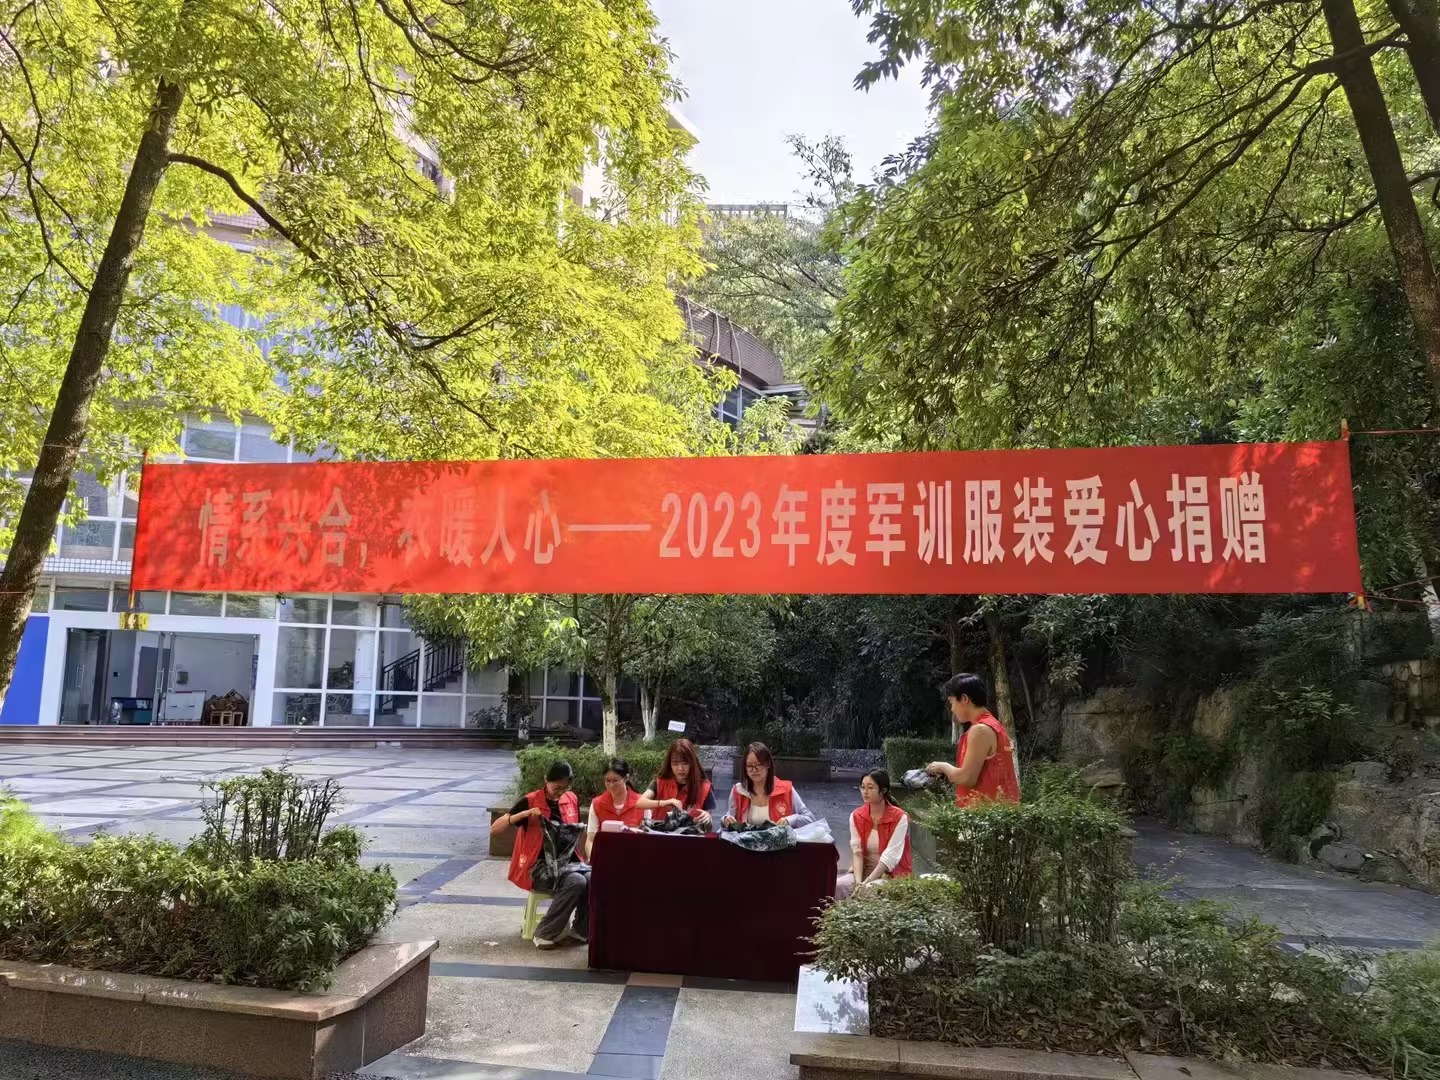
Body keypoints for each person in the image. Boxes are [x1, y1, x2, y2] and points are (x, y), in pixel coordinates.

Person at [492, 760, 588, 949]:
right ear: (546, 780)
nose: (560, 792)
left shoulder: (571, 799)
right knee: (576, 881)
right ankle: (544, 933)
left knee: (593, 878)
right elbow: (495, 829)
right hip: (537, 867)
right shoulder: (530, 801)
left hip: (567, 862)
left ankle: (581, 930)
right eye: (557, 787)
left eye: (565, 788)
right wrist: (524, 814)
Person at [926, 673, 1020, 806]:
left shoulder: (980, 730)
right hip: (995, 812)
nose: (952, 709)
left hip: (986, 814)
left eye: (952, 702)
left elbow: (967, 778)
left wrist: (942, 766)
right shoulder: (993, 725)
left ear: (964, 699)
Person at [835, 769, 912, 900]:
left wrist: (866, 882)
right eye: (862, 787)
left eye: (870, 788)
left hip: (890, 874)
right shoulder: (856, 815)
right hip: (863, 871)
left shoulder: (900, 817)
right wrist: (858, 883)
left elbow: (890, 857)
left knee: (869, 890)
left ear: (883, 790)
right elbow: (857, 852)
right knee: (838, 886)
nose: (865, 791)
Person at [585, 757, 682, 858]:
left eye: (615, 780)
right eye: (607, 781)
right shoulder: (597, 804)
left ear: (626, 778)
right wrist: (593, 860)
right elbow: (590, 840)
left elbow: (649, 838)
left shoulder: (641, 804)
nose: (611, 785)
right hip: (605, 858)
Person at [722, 742, 816, 829]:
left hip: (779, 841)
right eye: (749, 766)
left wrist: (790, 820)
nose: (754, 770)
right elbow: (728, 818)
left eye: (758, 764)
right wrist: (726, 819)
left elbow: (810, 818)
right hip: (745, 841)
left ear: (768, 764)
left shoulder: (786, 789)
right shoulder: (739, 791)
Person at [642, 738, 717, 829]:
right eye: (675, 764)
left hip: (690, 834)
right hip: (660, 833)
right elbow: (640, 802)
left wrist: (707, 817)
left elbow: (708, 824)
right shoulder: (659, 782)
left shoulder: (705, 787)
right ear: (669, 764)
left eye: (685, 763)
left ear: (692, 763)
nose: (680, 768)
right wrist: (665, 802)